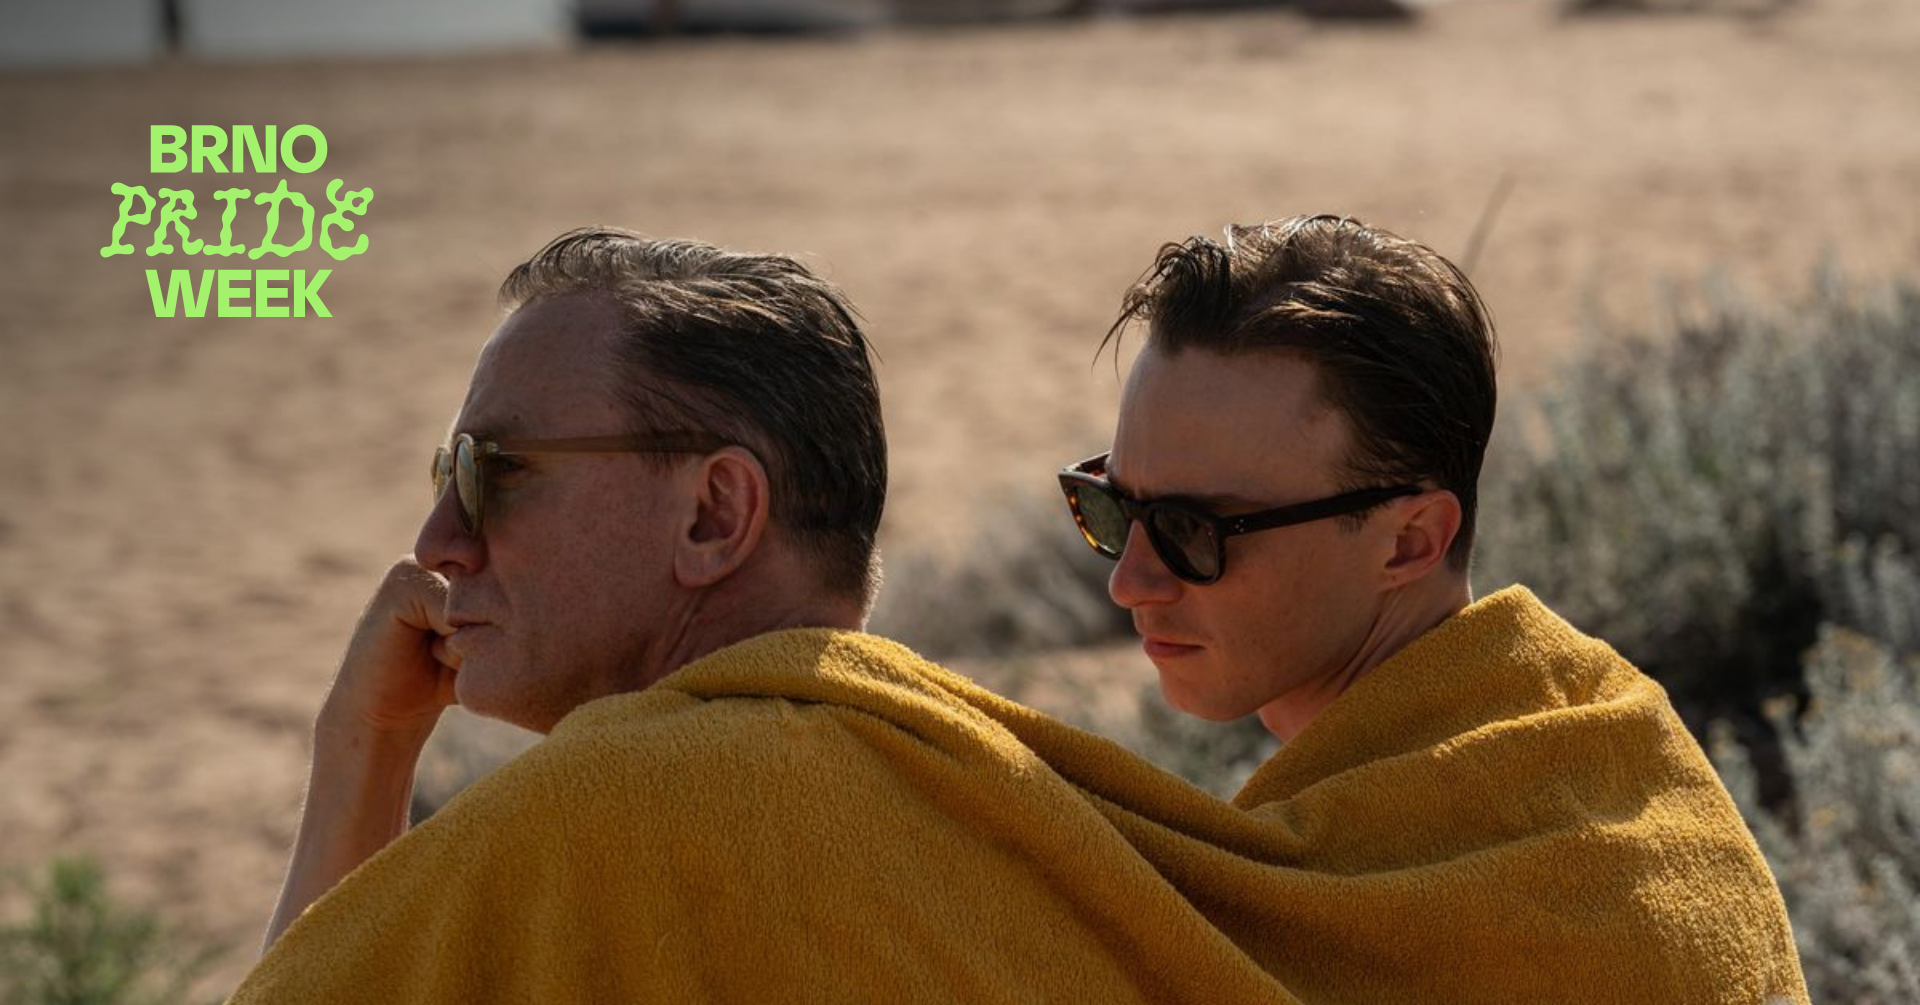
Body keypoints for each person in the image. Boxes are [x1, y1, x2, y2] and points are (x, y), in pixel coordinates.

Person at [1055, 213, 1809, 1001]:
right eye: (1112, 508)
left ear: (1409, 543)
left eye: (1189, 530)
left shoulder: (1575, 887)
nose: (1129, 582)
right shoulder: (1603, 758)